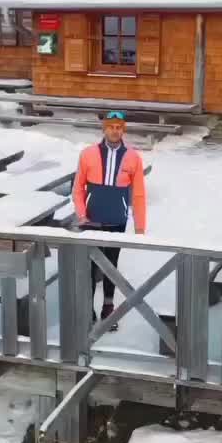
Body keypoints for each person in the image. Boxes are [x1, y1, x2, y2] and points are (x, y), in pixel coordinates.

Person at [72, 111, 147, 326]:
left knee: (111, 266)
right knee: (90, 267)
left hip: (117, 219)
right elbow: (78, 188)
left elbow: (139, 193)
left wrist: (140, 227)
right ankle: (87, 310)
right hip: (92, 219)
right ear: (104, 129)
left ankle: (108, 306)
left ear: (123, 130)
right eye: (111, 127)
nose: (115, 131)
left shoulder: (133, 157)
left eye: (119, 127)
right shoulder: (88, 154)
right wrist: (82, 214)